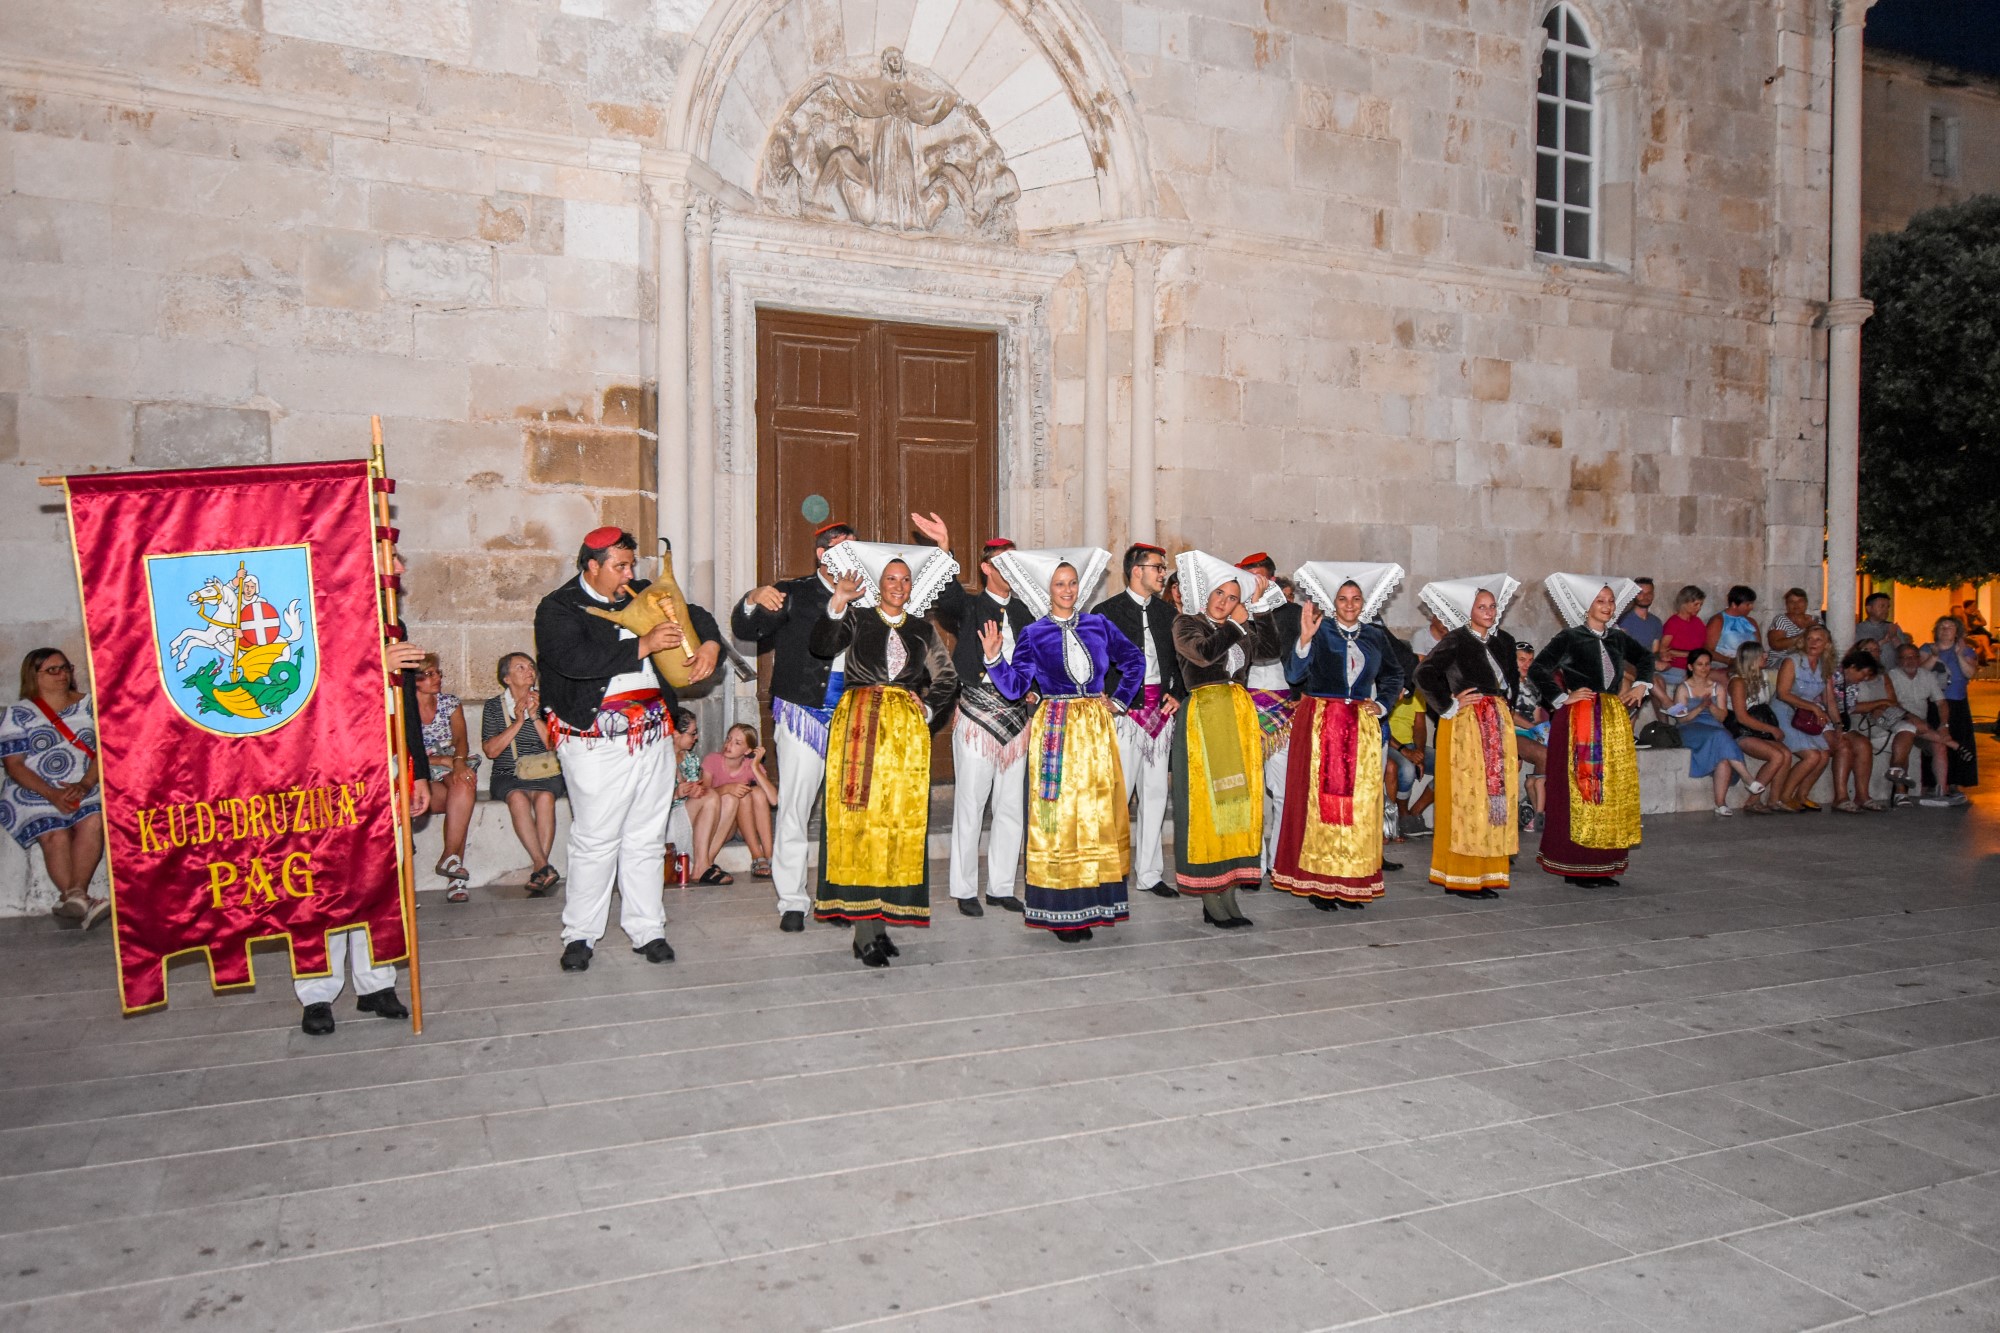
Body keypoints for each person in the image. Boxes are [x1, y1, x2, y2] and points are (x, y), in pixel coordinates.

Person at [536, 527, 720, 973]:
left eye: (631, 564)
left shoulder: (639, 593)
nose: (629, 574)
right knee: (595, 840)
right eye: (619, 566)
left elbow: (696, 614)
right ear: (591, 565)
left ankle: (647, 929)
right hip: (593, 742)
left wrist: (711, 642)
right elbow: (572, 661)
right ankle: (580, 934)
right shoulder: (558, 607)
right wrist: (644, 644)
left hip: (654, 737)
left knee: (646, 837)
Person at [296, 547, 428, 1035]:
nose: (402, 565)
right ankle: (317, 993)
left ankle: (377, 983)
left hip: (385, 763)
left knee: (383, 878)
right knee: (326, 880)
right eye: (392, 554)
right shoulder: (321, 613)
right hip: (328, 769)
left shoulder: (394, 621)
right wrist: (374, 662)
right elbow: (307, 688)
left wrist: (416, 774)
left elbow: (406, 709)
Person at [981, 547, 1142, 942]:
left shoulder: (1099, 625)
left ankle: (1094, 904)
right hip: (1055, 728)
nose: (1067, 590)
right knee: (1058, 818)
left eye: (1072, 583)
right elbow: (1017, 686)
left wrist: (1118, 700)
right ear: (1047, 589)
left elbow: (1134, 659)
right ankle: (1061, 912)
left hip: (1096, 730)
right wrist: (993, 659)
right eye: (1059, 584)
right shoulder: (1034, 634)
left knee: (1094, 814)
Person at [811, 542, 959, 967]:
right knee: (859, 821)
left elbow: (946, 678)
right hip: (860, 729)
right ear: (879, 585)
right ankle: (864, 931)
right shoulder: (856, 619)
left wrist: (929, 708)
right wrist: (838, 600)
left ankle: (878, 921)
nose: (898, 585)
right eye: (891, 578)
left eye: (905, 579)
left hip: (906, 736)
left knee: (895, 822)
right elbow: (822, 646)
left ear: (912, 587)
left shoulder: (921, 628)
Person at [734, 519, 858, 932]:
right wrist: (751, 598)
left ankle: (840, 894)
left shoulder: (868, 595)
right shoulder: (794, 591)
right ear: (823, 555)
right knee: (795, 807)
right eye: (843, 549)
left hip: (854, 713)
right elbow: (747, 629)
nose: (853, 557)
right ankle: (791, 899)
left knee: (847, 810)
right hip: (804, 710)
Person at [1272, 562, 1406, 911]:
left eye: (1355, 598)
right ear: (1333, 602)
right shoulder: (1320, 630)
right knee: (1323, 807)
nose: (1349, 604)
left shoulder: (1376, 635)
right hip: (1322, 724)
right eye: (1343, 598)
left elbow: (1395, 674)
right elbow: (1294, 675)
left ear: (1364, 602)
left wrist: (1382, 704)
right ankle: (1320, 883)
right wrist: (1303, 639)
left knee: (1356, 807)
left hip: (1359, 726)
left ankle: (1349, 879)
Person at [1169, 551, 1279, 928]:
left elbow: (1271, 651)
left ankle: (1227, 891)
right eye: (1219, 594)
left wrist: (1259, 612)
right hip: (1205, 716)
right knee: (1206, 806)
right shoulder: (1187, 623)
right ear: (1206, 592)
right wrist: (1237, 624)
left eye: (1232, 598)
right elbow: (1201, 655)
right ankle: (1209, 894)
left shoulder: (1239, 624)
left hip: (1237, 717)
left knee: (1235, 805)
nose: (1224, 602)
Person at [1528, 574, 1653, 887]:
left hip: (1611, 717)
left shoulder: (1618, 638)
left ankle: (1603, 863)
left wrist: (1641, 685)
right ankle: (1576, 865)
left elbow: (1646, 656)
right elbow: (1537, 668)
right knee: (1583, 788)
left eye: (1610, 601)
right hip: (1580, 718)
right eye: (1600, 601)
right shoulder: (1570, 637)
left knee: (1610, 790)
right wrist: (1561, 697)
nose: (1607, 606)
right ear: (1587, 605)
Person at [934, 538, 1035, 917]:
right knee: (971, 804)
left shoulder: (1026, 611)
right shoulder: (971, 606)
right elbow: (947, 598)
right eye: (1001, 563)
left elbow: (1036, 661)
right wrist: (946, 549)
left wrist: (1035, 693)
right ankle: (964, 888)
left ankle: (1001, 886)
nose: (1009, 568)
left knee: (1010, 806)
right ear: (987, 568)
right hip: (977, 714)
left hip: (1015, 718)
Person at [1412, 576, 1524, 899]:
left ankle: (1486, 873)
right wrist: (1448, 703)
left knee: (1493, 800)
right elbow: (1423, 673)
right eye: (1482, 607)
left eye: (1492, 606)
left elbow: (1512, 681)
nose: (1489, 612)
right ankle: (1461, 876)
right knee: (1467, 798)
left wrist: (1506, 705)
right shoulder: (1457, 640)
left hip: (1497, 724)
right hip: (1467, 726)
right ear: (1468, 611)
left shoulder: (1505, 640)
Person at [1092, 543, 1181, 900]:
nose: (1162, 573)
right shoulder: (1106, 612)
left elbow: (1179, 662)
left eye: (1162, 568)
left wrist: (1179, 691)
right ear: (1136, 570)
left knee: (1156, 794)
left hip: (1159, 713)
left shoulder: (1167, 614)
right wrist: (1101, 695)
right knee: (1118, 795)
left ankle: (1149, 873)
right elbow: (1094, 660)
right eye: (1157, 567)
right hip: (1123, 713)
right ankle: (1110, 873)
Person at [2, 649, 109, 929]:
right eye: (52, 670)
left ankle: (73, 899)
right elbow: (14, 765)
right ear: (33, 675)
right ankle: (79, 898)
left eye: (65, 668)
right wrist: (52, 794)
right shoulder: (18, 714)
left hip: (86, 784)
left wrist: (85, 783)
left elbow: (105, 748)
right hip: (35, 789)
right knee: (54, 834)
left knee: (94, 818)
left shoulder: (90, 706)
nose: (62, 675)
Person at [1236, 553, 1302, 887]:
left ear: (1272, 580)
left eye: (1259, 578)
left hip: (1285, 709)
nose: (1255, 585)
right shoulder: (1236, 611)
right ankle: (1253, 864)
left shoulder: (1294, 614)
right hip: (1245, 705)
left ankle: (1280, 860)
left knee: (1283, 788)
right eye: (1249, 579)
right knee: (1250, 790)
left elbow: (1297, 659)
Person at [481, 652, 565, 897]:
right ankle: (542, 865)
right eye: (520, 667)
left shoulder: (547, 703)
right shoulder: (494, 707)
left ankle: (540, 867)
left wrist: (535, 716)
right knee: (517, 797)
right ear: (506, 678)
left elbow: (553, 745)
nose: (529, 671)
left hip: (544, 770)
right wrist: (517, 722)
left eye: (530, 666)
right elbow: (491, 750)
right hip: (508, 772)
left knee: (545, 797)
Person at [1655, 646, 1766, 816]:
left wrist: (1711, 706)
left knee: (1723, 757)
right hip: (1689, 728)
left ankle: (1720, 804)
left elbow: (1721, 718)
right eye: (1700, 664)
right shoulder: (1683, 688)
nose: (1704, 668)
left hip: (1714, 727)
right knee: (1721, 736)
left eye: (1707, 664)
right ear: (1691, 667)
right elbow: (1681, 719)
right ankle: (1747, 778)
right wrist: (1700, 708)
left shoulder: (1717, 687)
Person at [415, 653, 478, 901]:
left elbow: (461, 738)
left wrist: (460, 763)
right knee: (458, 803)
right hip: (420, 770)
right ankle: (453, 867)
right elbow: (399, 749)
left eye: (438, 673)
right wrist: (438, 760)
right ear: (415, 679)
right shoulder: (402, 705)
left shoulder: (450, 703)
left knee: (465, 783)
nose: (437, 678)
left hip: (450, 762)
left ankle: (450, 862)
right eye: (430, 674)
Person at [697, 723, 779, 882]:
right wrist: (727, 788)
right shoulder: (712, 760)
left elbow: (773, 800)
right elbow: (703, 796)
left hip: (745, 826)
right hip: (722, 824)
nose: (729, 745)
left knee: (757, 792)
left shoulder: (750, 765)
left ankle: (769, 856)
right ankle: (757, 855)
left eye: (737, 743)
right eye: (728, 739)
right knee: (741, 794)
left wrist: (755, 767)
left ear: (747, 751)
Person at [1772, 623, 1839, 812]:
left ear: (1827, 644)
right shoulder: (1792, 661)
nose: (1813, 643)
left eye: (1818, 639)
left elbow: (1829, 700)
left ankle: (1802, 795)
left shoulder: (1824, 665)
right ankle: (1783, 797)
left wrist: (1838, 724)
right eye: (1809, 638)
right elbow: (1782, 693)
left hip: (1808, 714)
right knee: (1811, 756)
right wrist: (1814, 708)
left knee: (1824, 755)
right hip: (1786, 710)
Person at [1883, 644, 1959, 808]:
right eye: (1905, 657)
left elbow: (1941, 703)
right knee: (1907, 735)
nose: (1910, 661)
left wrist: (1943, 725)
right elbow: (1892, 704)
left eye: (1913, 656)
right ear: (1898, 660)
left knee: (1939, 745)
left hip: (1922, 727)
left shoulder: (1927, 676)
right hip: (1899, 721)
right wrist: (1914, 719)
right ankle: (1900, 792)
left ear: (1919, 658)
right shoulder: (1891, 676)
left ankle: (1941, 790)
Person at [1722, 643, 1794, 813]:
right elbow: (1741, 716)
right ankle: (1752, 801)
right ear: (1752, 659)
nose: (1766, 657)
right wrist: (1771, 729)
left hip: (1758, 726)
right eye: (1762, 655)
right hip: (1741, 729)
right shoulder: (1738, 682)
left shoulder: (1761, 676)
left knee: (1786, 754)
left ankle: (1774, 799)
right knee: (1776, 756)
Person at [1831, 648, 1899, 813]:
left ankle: (1862, 795)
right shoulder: (1832, 676)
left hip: (1841, 722)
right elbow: (1829, 704)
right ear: (1853, 667)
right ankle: (1840, 797)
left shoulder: (1853, 684)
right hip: (1823, 721)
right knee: (1845, 747)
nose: (1865, 679)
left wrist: (1878, 705)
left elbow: (1851, 708)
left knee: (1864, 744)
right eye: (1864, 674)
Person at [1920, 615, 1980, 794]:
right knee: (1933, 741)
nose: (1945, 630)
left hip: (1957, 700)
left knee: (1958, 737)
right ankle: (1931, 781)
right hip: (1933, 701)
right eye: (1942, 627)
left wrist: (1959, 654)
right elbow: (1921, 671)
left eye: (1950, 627)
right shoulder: (1926, 648)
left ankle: (1954, 781)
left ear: (1957, 632)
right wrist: (1934, 656)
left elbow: (1969, 673)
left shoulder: (1966, 650)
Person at [1510, 639, 1550, 830]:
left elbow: (1535, 714)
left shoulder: (1533, 684)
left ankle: (1537, 810)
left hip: (1528, 732)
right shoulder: (1506, 683)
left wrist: (1542, 730)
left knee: (1550, 754)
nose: (1527, 664)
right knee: (1543, 754)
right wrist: (1533, 728)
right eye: (1522, 660)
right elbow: (1509, 713)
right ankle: (1539, 814)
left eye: (1530, 660)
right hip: (1509, 731)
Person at [1657, 585, 1708, 693]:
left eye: (1700, 605)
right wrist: (1691, 655)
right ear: (1685, 603)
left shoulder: (1697, 622)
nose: (1698, 608)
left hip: (1696, 666)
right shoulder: (1674, 623)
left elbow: (1703, 646)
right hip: (1677, 667)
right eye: (1696, 604)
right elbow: (1663, 649)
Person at [1705, 585, 1760, 671]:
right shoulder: (1718, 620)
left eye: (1752, 604)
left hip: (1750, 667)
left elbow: (1759, 647)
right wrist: (1730, 661)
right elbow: (1707, 650)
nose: (1751, 607)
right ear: (1734, 604)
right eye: (1748, 604)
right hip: (1724, 666)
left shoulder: (1751, 622)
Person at [1852, 592, 1907, 663]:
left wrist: (1894, 637)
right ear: (1869, 608)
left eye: (1888, 607)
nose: (1886, 610)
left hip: (1891, 672)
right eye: (1882, 606)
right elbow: (1856, 654)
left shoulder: (1893, 628)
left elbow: (1905, 653)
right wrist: (1883, 641)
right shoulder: (1857, 629)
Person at [1616, 577, 1663, 657]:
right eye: (1640, 593)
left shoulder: (1656, 622)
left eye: (1649, 593)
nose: (1645, 596)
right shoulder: (1622, 620)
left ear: (1653, 595)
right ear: (1633, 595)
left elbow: (1655, 651)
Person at [1766, 587, 1818, 656]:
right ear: (1786, 605)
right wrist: (1805, 634)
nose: (1796, 605)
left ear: (1806, 603)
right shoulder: (1781, 619)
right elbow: (1775, 644)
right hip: (1783, 659)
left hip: (1809, 658)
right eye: (1791, 602)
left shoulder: (1816, 620)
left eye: (1800, 601)